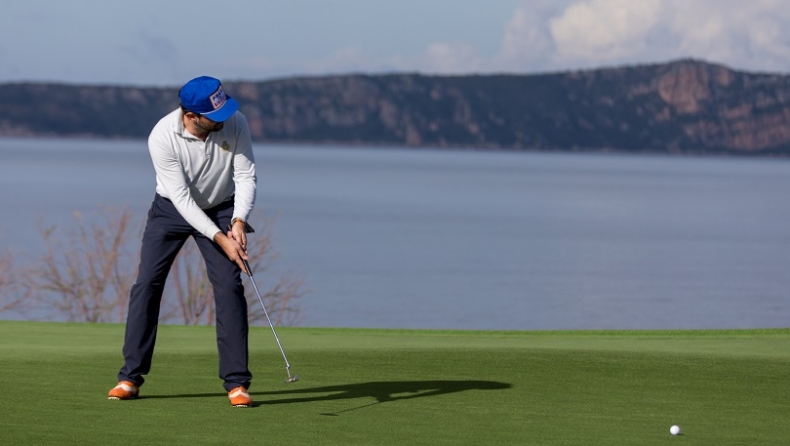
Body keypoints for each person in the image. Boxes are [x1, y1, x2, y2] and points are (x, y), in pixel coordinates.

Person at [108, 76, 257, 407]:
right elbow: (183, 201)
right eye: (213, 116)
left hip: (222, 209)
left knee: (230, 287)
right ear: (191, 115)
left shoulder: (235, 122)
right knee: (147, 284)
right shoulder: (162, 136)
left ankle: (237, 384)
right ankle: (130, 377)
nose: (223, 119)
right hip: (172, 210)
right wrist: (220, 239)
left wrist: (238, 221)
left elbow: (245, 175)